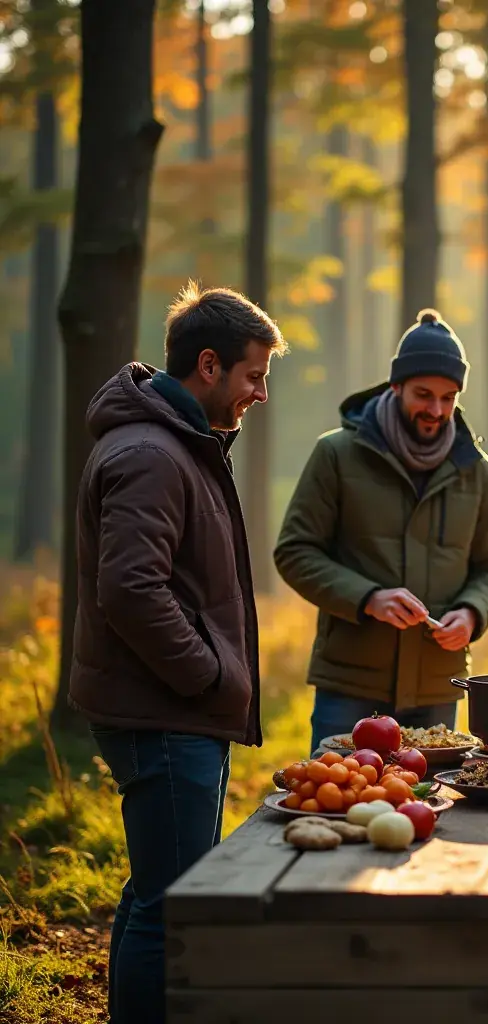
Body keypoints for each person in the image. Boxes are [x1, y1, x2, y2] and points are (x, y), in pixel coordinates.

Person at [70, 283, 288, 1024]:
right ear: (208, 365)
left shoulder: (176, 443)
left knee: (154, 890)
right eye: (254, 375)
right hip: (164, 714)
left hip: (175, 710)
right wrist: (209, 674)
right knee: (175, 906)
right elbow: (131, 590)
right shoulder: (152, 452)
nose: (261, 393)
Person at [274, 308, 488, 754]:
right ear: (395, 386)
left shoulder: (478, 473)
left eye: (448, 398)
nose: (436, 410)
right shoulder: (336, 455)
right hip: (349, 684)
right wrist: (369, 599)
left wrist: (472, 613)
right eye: (423, 394)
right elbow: (295, 551)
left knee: (430, 810)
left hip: (437, 688)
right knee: (337, 805)